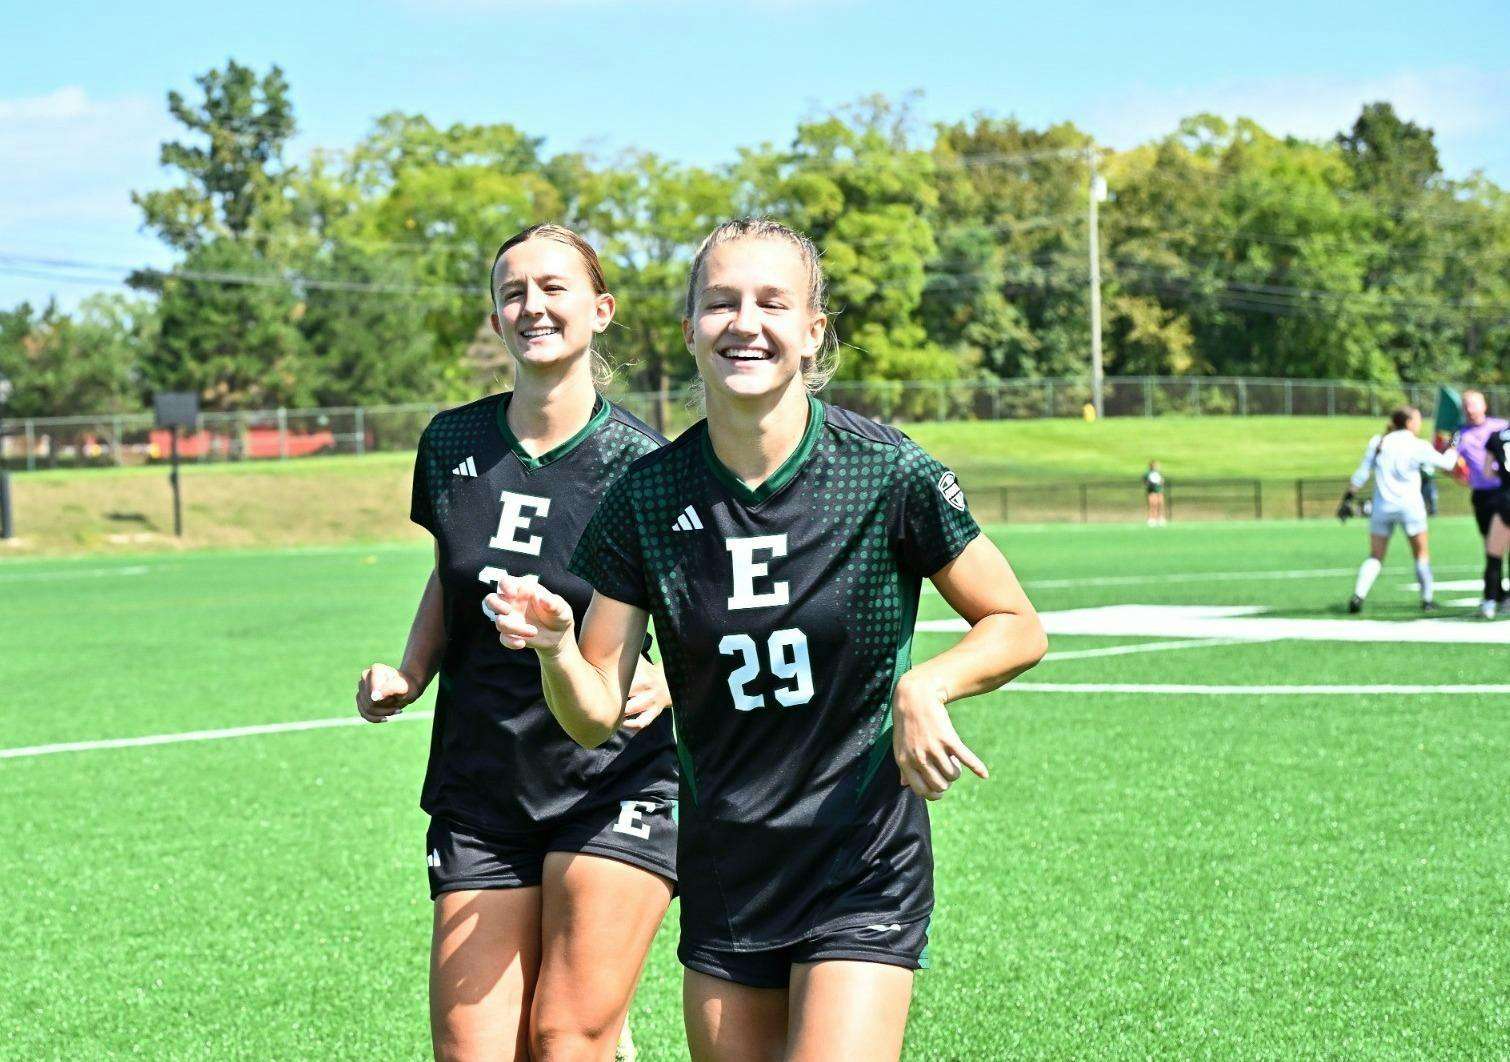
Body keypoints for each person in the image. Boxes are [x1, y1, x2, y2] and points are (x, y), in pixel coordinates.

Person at [486, 218, 1048, 1060]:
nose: (745, 323)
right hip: (729, 867)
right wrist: (560, 649)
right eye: (721, 303)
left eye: (771, 303)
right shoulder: (646, 497)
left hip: (860, 855)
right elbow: (597, 714)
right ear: (690, 331)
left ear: (813, 330)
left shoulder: (884, 471)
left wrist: (925, 686)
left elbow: (1015, 624)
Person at [355, 223, 677, 1061]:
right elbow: (448, 572)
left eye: (554, 288)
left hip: (612, 779)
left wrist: (673, 685)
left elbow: (704, 609)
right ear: (496, 318)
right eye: (513, 292)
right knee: (474, 1050)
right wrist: (410, 671)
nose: (532, 305)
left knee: (563, 1040)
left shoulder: (646, 466)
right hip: (482, 782)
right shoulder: (451, 442)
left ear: (600, 310)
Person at [1338, 406, 1459, 614]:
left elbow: (1361, 473)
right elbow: (1448, 464)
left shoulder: (1379, 441)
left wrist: (1347, 499)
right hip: (1411, 507)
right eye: (1418, 419)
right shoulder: (1417, 445)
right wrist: (1453, 445)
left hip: (1382, 507)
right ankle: (1427, 599)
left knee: (1375, 555)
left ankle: (1359, 595)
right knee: (1421, 554)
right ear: (1409, 422)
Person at [1454, 390, 1509, 619]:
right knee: (1492, 544)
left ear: (1484, 405)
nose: (1470, 408)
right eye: (1466, 404)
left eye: (1474, 404)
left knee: (1494, 551)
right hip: (1483, 496)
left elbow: (1489, 468)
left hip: (1503, 494)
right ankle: (1497, 593)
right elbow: (1450, 463)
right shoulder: (1460, 434)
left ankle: (1491, 599)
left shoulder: (1498, 429)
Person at [1144, 460, 1166, 526]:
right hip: (1152, 491)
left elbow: (1162, 481)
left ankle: (1160, 518)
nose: (1156, 467)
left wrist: (1160, 483)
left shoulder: (1159, 473)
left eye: (1157, 465)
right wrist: (1151, 483)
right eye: (1154, 465)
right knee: (1152, 504)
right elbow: (1145, 481)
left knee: (1160, 504)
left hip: (1159, 490)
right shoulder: (1148, 473)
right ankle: (1151, 518)